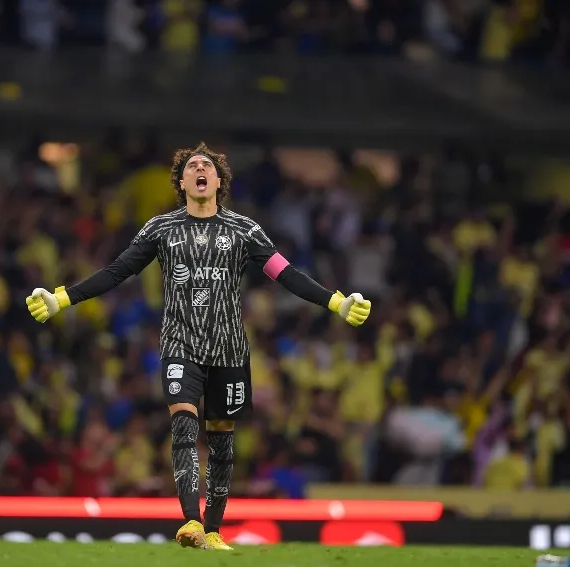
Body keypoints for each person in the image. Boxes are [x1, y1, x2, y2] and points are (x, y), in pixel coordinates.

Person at [25, 142, 371, 550]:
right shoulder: (161, 229)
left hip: (229, 349)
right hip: (181, 345)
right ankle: (191, 520)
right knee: (184, 426)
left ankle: (213, 529)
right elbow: (117, 271)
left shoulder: (244, 230)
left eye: (208, 165)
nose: (200, 169)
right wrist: (61, 297)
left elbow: (286, 274)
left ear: (219, 181)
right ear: (181, 181)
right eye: (192, 166)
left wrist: (336, 302)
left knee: (222, 443)